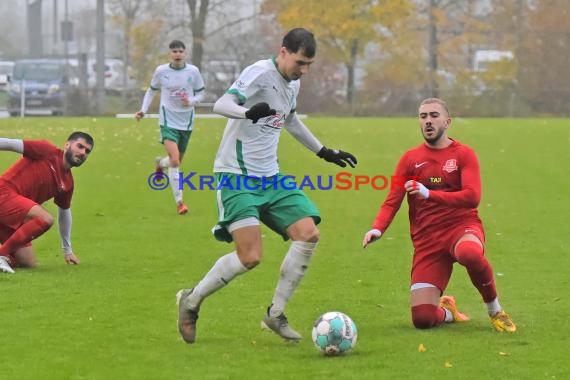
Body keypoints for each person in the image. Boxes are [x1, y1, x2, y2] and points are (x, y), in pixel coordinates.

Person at [176, 27, 358, 344]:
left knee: (308, 234)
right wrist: (247, 112)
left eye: (308, 65)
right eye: (300, 62)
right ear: (283, 51)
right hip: (236, 175)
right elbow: (221, 104)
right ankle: (191, 301)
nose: (303, 71)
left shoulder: (293, 83)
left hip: (271, 177)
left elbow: (290, 120)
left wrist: (324, 151)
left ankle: (275, 314)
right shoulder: (259, 73)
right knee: (250, 257)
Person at [362, 98, 516, 333]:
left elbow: (472, 197)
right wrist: (377, 228)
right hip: (428, 241)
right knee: (422, 319)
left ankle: (495, 310)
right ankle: (448, 312)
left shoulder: (464, 155)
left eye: (434, 115)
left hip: (461, 227)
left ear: (448, 121)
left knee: (469, 253)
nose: (428, 121)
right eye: (423, 116)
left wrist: (429, 193)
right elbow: (392, 199)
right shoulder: (410, 159)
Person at [0, 132, 94, 274]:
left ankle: (4, 256)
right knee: (45, 218)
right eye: (80, 146)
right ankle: (2, 255)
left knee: (28, 262)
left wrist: (67, 250)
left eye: (87, 151)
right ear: (67, 144)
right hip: (4, 193)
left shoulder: (68, 183)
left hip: (12, 212)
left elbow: (65, 213)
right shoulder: (46, 150)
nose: (82, 153)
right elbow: (10, 143)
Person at [135, 40, 205, 215]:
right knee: (175, 160)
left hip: (186, 122)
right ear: (170, 54)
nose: (178, 54)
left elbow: (201, 93)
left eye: (181, 51)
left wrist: (192, 101)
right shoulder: (161, 71)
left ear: (185, 53)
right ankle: (180, 202)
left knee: (176, 161)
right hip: (167, 121)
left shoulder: (193, 71)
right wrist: (143, 110)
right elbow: (151, 91)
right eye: (174, 51)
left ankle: (160, 163)